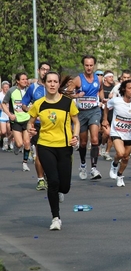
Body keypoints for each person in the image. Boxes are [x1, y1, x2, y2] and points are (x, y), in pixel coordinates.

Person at [27, 71, 80, 230]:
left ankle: (58, 191)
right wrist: (30, 130)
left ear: (58, 84)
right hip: (45, 145)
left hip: (64, 146)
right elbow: (30, 123)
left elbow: (76, 122)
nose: (52, 84)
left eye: (55, 81)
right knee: (54, 181)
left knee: (64, 187)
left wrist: (75, 136)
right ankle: (55, 218)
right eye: (49, 81)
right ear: (44, 83)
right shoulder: (39, 104)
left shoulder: (68, 103)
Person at [102, 80, 131, 187]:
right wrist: (105, 119)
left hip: (129, 134)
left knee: (126, 157)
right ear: (123, 89)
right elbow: (106, 106)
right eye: (129, 88)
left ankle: (120, 175)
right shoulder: (116, 101)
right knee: (120, 153)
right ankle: (114, 163)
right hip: (116, 131)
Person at [68, 55, 104, 180]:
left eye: (91, 65)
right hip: (81, 113)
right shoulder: (78, 79)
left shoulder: (98, 79)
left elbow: (100, 91)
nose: (89, 68)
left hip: (94, 111)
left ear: (94, 65)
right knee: (83, 143)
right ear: (83, 66)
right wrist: (76, 95)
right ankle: (83, 164)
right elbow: (67, 93)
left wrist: (102, 99)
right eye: (86, 65)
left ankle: (94, 168)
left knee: (94, 139)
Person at [21, 62, 51, 191]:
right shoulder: (33, 87)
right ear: (39, 70)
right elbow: (23, 104)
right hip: (37, 125)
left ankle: (49, 175)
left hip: (52, 126)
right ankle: (40, 180)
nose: (45, 71)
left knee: (51, 154)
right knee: (40, 153)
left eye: (47, 70)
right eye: (43, 69)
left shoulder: (52, 86)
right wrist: (31, 112)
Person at [1, 72, 32, 172]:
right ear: (18, 81)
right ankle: (16, 146)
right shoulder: (12, 91)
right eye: (22, 79)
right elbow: (3, 104)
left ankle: (24, 163)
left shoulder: (29, 90)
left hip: (27, 120)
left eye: (26, 79)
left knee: (27, 143)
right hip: (16, 120)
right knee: (19, 144)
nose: (25, 81)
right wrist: (10, 115)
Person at [99, 70, 115, 160]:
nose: (111, 78)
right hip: (103, 111)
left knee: (111, 134)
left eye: (112, 77)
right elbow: (97, 97)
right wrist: (101, 102)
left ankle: (107, 152)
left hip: (112, 112)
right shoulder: (101, 87)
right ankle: (102, 144)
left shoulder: (114, 87)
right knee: (106, 133)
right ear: (105, 78)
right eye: (110, 77)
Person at [0, 81, 11, 151]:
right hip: (2, 115)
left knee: (10, 131)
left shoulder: (11, 94)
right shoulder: (0, 95)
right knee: (3, 132)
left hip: (10, 115)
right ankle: (4, 141)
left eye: (7, 87)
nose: (6, 88)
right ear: (2, 88)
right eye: (5, 87)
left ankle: (8, 142)